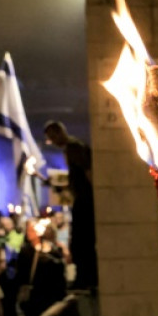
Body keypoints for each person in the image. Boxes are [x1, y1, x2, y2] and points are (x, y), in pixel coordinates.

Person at [44, 120, 97, 290]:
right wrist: (63, 187)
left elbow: (88, 172)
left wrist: (95, 194)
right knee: (83, 241)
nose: (52, 141)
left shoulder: (74, 147)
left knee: (81, 242)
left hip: (85, 200)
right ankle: (87, 277)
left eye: (52, 137)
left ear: (59, 132)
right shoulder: (73, 147)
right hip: (84, 199)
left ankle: (86, 278)